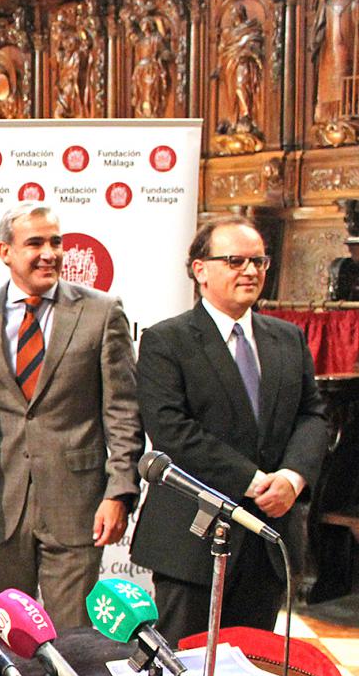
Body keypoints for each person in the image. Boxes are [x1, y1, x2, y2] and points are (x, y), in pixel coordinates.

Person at [131, 216, 328, 641]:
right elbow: (171, 430)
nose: (251, 271)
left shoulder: (288, 338)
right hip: (193, 542)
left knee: (250, 674)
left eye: (258, 261)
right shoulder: (167, 341)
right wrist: (255, 482)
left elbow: (313, 415)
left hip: (268, 538)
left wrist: (292, 479)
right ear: (200, 269)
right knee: (185, 674)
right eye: (235, 260)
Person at [0, 202, 143, 627]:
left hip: (77, 505)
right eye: (35, 243)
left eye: (56, 242)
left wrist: (118, 492)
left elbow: (123, 413)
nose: (50, 253)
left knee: (74, 638)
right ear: (5, 251)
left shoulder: (101, 312)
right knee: (9, 633)